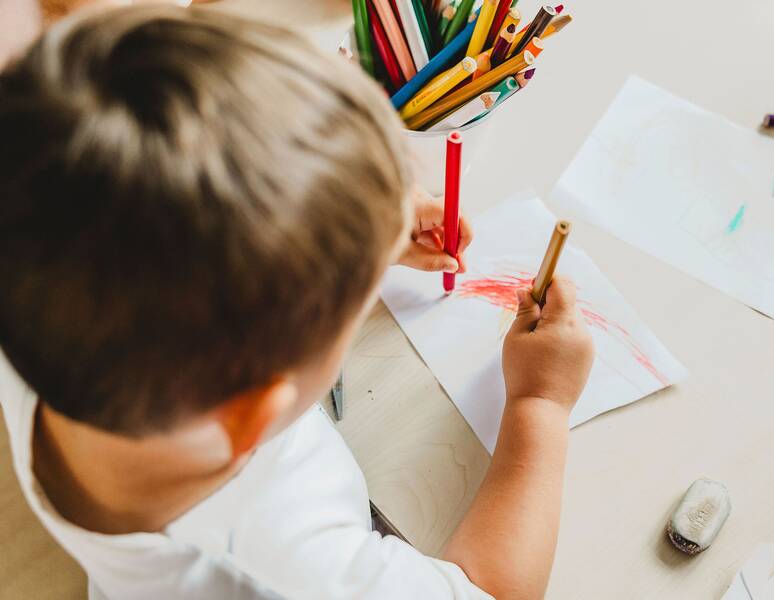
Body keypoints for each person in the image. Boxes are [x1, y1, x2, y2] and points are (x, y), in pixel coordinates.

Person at [0, 5, 594, 600]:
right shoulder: (287, 555)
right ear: (254, 415)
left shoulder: (40, 254)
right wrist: (539, 406)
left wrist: (347, 222)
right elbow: (497, 592)